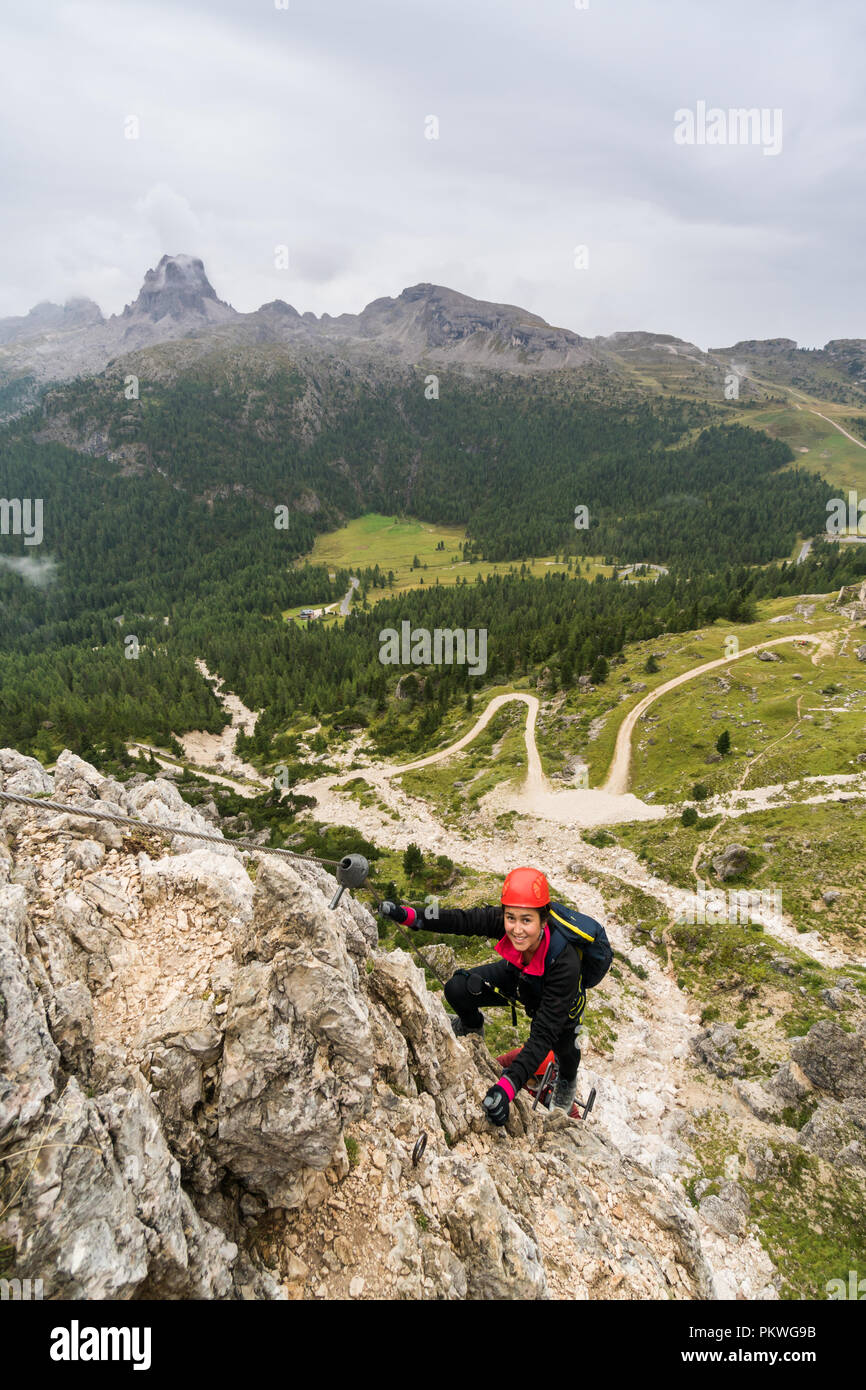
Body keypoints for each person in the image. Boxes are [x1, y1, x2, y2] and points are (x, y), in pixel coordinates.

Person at [379, 866, 588, 1127]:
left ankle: (567, 1080)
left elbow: (543, 1034)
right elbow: (460, 920)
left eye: (527, 920)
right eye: (510, 918)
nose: (517, 929)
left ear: (543, 921)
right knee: (458, 988)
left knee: (567, 1048)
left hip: (559, 1001)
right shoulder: (505, 923)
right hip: (522, 978)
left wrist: (507, 1087)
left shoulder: (565, 962)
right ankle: (471, 1027)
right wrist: (408, 915)